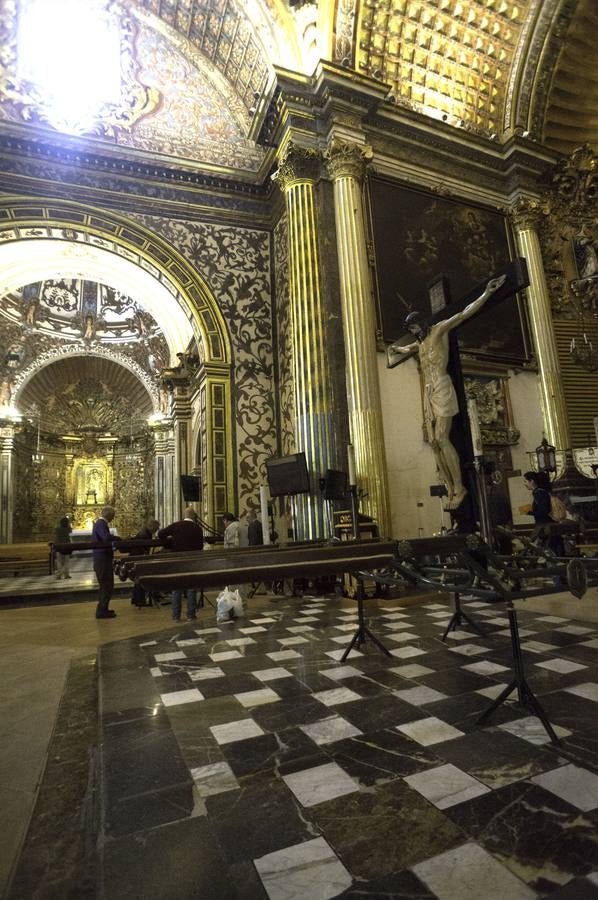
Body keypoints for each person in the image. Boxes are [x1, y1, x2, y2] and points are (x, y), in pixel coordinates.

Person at [388, 274, 506, 509]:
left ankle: (460, 487)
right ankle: (450, 488)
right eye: (411, 328)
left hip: (442, 385)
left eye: (415, 326)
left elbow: (463, 313)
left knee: (442, 437)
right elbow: (402, 349)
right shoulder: (419, 344)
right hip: (428, 392)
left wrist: (487, 293)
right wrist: (394, 348)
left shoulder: (439, 330)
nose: (414, 330)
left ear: (422, 322)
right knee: (434, 442)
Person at [158, 508, 204, 622]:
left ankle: (176, 616)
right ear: (194, 517)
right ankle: (190, 615)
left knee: (176, 588)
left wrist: (170, 543)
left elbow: (160, 534)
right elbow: (200, 546)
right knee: (191, 588)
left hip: (177, 560)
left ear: (184, 515)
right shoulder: (197, 528)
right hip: (192, 561)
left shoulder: (176, 525)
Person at [522, 470, 564, 556]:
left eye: (525, 481)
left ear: (532, 481)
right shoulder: (543, 491)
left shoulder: (538, 493)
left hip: (544, 527)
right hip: (550, 527)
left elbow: (544, 510)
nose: (524, 484)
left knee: (544, 552)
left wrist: (529, 512)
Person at [92, 506, 118, 619]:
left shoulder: (101, 523)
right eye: (113, 515)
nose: (113, 517)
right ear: (108, 514)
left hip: (103, 557)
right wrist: (117, 539)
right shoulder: (101, 523)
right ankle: (102, 611)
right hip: (102, 558)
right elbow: (105, 537)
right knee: (106, 584)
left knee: (107, 585)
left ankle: (103, 608)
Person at [222, 512, 249, 613]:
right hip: (244, 557)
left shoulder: (231, 528)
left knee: (234, 582)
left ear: (226, 520)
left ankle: (235, 603)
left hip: (234, 559)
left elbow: (232, 545)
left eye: (224, 522)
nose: (224, 524)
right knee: (242, 581)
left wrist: (228, 558)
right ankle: (243, 602)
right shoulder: (242, 526)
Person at [130, 518, 160, 608]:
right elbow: (144, 548)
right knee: (140, 579)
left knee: (138, 580)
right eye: (156, 528)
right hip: (138, 557)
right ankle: (139, 600)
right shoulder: (145, 534)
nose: (156, 530)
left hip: (137, 556)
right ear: (152, 526)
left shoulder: (146, 532)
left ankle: (136, 599)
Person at [54, 516, 72, 580]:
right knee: (66, 562)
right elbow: (70, 531)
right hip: (66, 547)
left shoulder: (57, 529)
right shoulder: (68, 529)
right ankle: (66, 574)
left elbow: (55, 538)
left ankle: (59, 575)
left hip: (59, 547)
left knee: (59, 562)